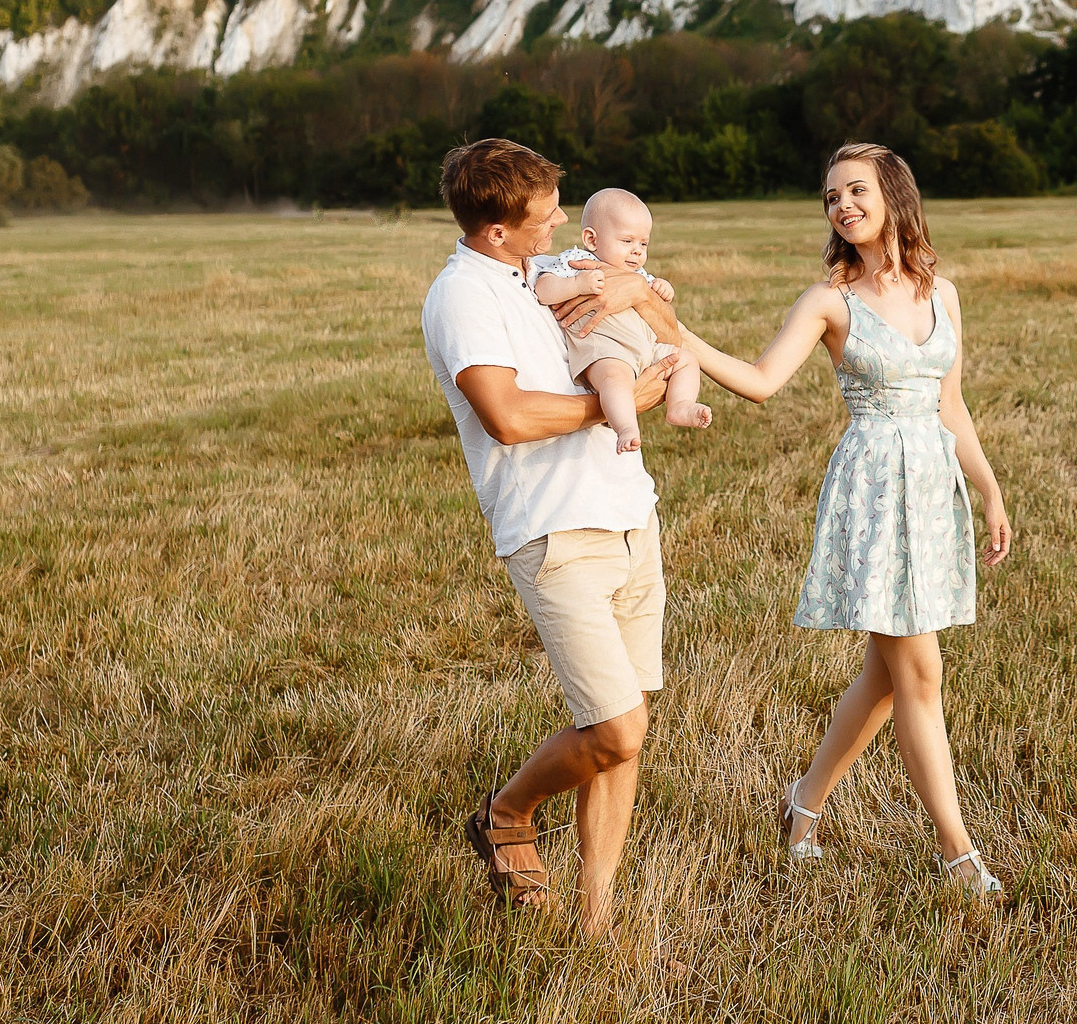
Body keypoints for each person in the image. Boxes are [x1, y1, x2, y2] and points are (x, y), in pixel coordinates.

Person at [680, 141, 1015, 894]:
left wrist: (989, 487)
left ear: (894, 192)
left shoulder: (943, 292)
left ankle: (803, 802)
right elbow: (762, 381)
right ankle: (958, 852)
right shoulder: (831, 301)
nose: (843, 205)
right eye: (831, 196)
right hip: (872, 492)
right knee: (919, 672)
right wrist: (679, 335)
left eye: (855, 189)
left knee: (887, 677)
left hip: (930, 491)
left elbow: (950, 404)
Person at [418, 137, 679, 933]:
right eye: (546, 212)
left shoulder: (533, 270)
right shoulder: (464, 297)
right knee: (614, 725)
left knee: (624, 733)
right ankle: (507, 813)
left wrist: (638, 293)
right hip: (553, 530)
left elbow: (665, 319)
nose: (565, 219)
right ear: (498, 230)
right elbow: (509, 416)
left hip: (630, 513)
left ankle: (596, 918)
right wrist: (616, 400)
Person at [550, 188, 710, 453]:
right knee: (615, 379)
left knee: (686, 359)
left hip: (644, 346)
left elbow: (655, 306)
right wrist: (577, 285)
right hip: (606, 349)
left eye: (643, 244)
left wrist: (660, 288)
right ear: (591, 239)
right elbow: (544, 288)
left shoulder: (638, 274)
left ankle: (680, 405)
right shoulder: (575, 262)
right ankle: (626, 426)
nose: (637, 252)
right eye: (627, 242)